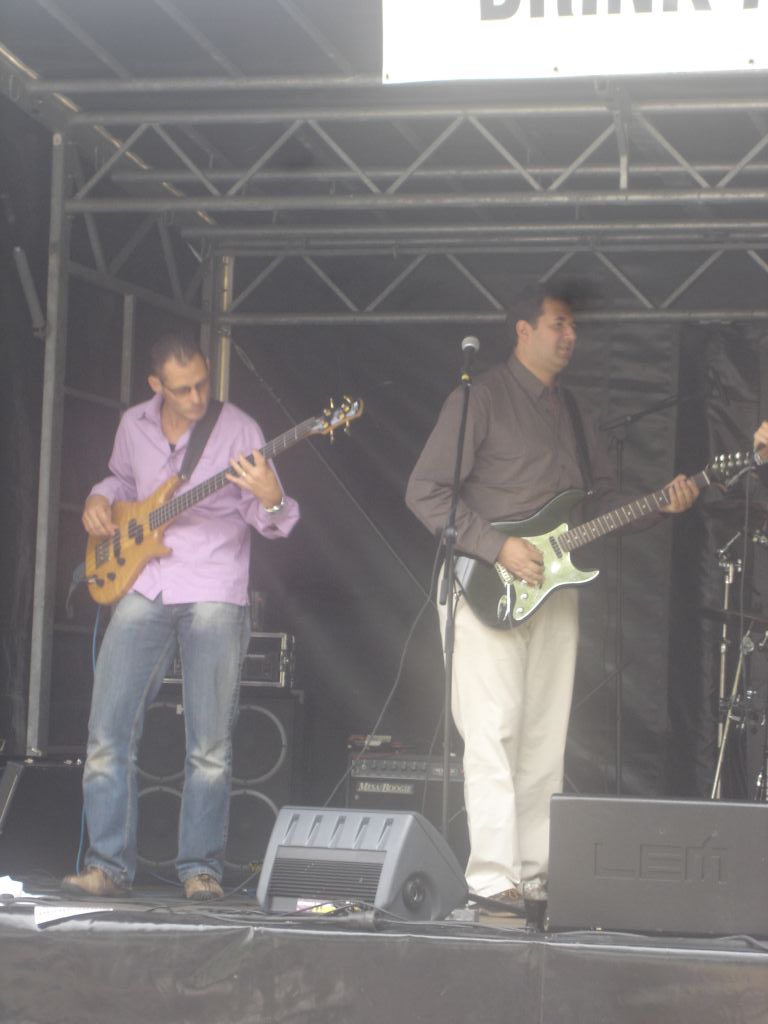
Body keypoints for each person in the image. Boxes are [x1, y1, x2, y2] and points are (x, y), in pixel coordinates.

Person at [405, 284, 699, 911]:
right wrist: (497, 547)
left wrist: (661, 504)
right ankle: (492, 878)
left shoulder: (576, 413)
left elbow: (600, 506)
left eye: (573, 327)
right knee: (493, 730)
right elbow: (426, 491)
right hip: (486, 587)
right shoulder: (479, 398)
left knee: (544, 735)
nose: (571, 336)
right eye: (559, 324)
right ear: (524, 330)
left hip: (555, 588)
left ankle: (534, 876)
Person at [62, 334, 299, 900]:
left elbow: (271, 520)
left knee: (209, 745)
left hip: (214, 584)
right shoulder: (133, 425)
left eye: (202, 385)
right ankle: (107, 867)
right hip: (143, 580)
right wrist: (98, 498)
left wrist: (271, 495)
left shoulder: (239, 429)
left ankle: (200, 870)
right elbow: (122, 481)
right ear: (156, 386)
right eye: (183, 389)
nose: (196, 397)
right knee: (107, 733)